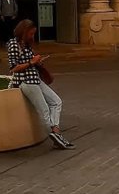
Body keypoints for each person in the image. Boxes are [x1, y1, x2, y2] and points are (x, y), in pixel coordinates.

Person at [7, 18, 74, 150]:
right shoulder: (14, 44)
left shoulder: (27, 45)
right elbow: (13, 68)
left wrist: (38, 62)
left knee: (56, 101)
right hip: (25, 81)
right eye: (31, 34)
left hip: (35, 78)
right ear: (24, 32)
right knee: (43, 110)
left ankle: (55, 130)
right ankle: (56, 136)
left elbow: (30, 61)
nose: (33, 36)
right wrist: (32, 62)